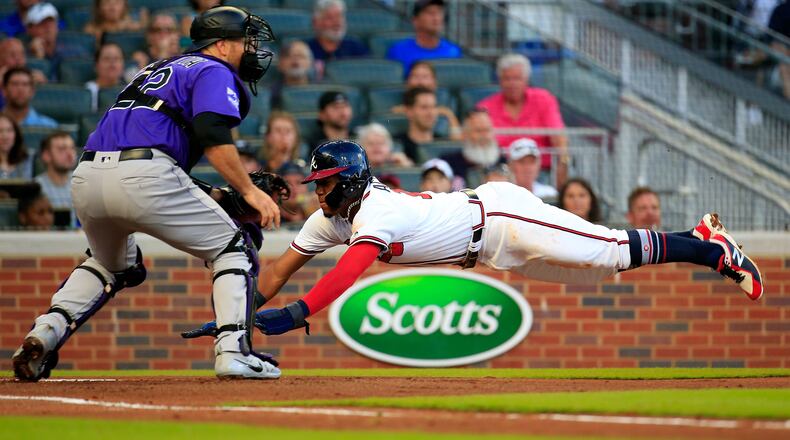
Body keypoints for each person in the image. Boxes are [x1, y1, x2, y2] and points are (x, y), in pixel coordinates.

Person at [183, 140, 764, 347]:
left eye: (326, 182)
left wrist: (297, 314)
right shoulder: (328, 220)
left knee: (610, 249)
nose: (319, 191)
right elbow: (281, 269)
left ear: (350, 181)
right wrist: (241, 315)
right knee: (601, 269)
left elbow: (350, 271)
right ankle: (698, 243)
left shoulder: (376, 208)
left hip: (503, 216)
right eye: (318, 183)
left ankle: (706, 244)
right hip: (489, 247)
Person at [12, 6, 283, 382]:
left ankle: (46, 331)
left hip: (89, 174)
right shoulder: (212, 69)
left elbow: (148, 151)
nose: (251, 51)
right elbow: (212, 132)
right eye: (244, 42)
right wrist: (249, 191)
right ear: (221, 45)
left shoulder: (157, 68)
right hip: (146, 175)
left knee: (111, 264)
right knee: (233, 248)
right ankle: (233, 352)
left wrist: (218, 195)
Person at [477, 53, 569, 186]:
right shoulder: (485, 107)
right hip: (501, 174)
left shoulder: (543, 99)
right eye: (507, 78)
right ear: (499, 80)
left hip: (541, 172)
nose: (512, 83)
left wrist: (563, 163)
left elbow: (558, 137)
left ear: (526, 79)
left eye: (517, 78)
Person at [386, 0, 462, 74]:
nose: (436, 18)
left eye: (439, 12)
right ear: (415, 21)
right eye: (430, 13)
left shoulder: (453, 52)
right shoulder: (398, 51)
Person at [390, 61, 461, 137]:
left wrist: (449, 114)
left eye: (425, 77)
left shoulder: (448, 103)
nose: (420, 82)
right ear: (407, 82)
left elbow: (457, 140)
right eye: (415, 76)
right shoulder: (392, 101)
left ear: (434, 83)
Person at [24, 3, 90, 81]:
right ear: (30, 29)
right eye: (42, 23)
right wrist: (39, 59)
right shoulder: (23, 57)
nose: (48, 27)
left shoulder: (75, 53)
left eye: (51, 22)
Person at [441, 110, 504, 190]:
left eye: (487, 130)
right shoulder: (448, 164)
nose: (484, 136)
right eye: (478, 131)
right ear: (464, 134)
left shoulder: (503, 163)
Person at [306, 0, 369, 68]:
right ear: (316, 23)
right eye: (330, 18)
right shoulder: (305, 50)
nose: (337, 23)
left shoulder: (356, 48)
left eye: (339, 16)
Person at [127, 13, 181, 81]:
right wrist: (162, 55)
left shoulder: (186, 57)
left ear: (177, 35)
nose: (163, 34)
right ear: (149, 36)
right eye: (158, 30)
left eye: (169, 30)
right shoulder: (140, 60)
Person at [34, 131, 76, 214]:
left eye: (72, 148)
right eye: (62, 149)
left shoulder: (83, 183)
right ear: (46, 155)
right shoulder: (36, 188)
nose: (70, 154)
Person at [396, 87, 440, 162]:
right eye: (424, 107)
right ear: (409, 111)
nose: (431, 113)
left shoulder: (443, 142)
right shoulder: (397, 145)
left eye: (434, 107)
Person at [270, 41, 314, 110]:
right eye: (289, 56)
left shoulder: (321, 90)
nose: (295, 61)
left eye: (301, 56)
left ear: (310, 63)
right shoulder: (270, 94)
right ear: (280, 64)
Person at [85, 43, 125, 112]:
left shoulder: (130, 90)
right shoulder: (88, 91)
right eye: (106, 59)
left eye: (116, 59)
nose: (112, 63)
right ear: (96, 65)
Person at [0, 114, 33, 179]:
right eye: (0, 131)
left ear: (16, 134)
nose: (5, 136)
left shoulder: (28, 158)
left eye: (9, 130)